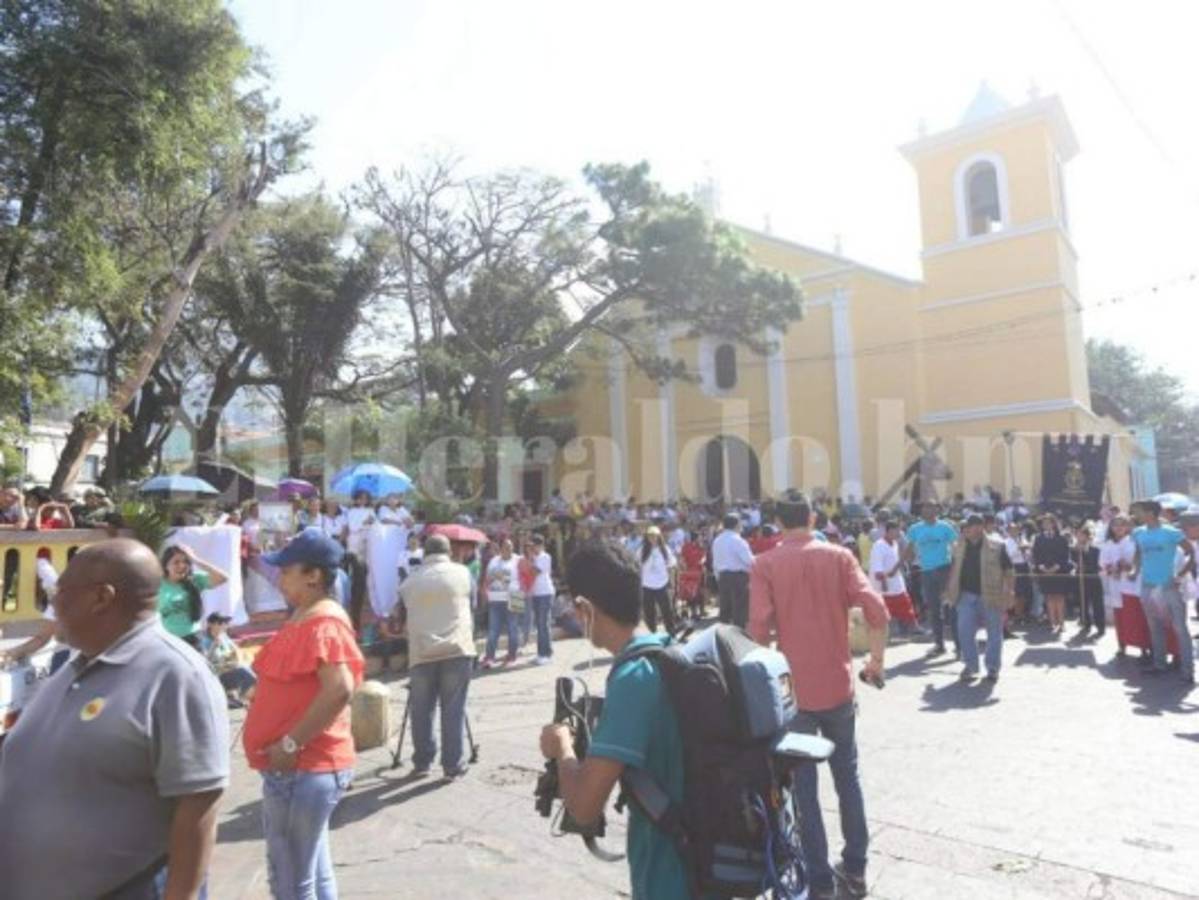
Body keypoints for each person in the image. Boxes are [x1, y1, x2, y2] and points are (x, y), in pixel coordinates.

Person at [0, 539, 229, 900]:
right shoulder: (77, 664)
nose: (52, 602)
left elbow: (199, 806)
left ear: (101, 598)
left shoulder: (176, 676)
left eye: (59, 591)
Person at [749, 493, 889, 900]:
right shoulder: (840, 557)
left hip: (794, 694)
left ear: (776, 521)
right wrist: (876, 662)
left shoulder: (766, 564)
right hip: (838, 687)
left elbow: (758, 629)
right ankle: (857, 869)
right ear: (812, 517)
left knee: (804, 792)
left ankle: (820, 881)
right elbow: (876, 610)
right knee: (849, 779)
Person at [539, 539, 690, 900]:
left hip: (669, 878)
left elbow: (585, 807)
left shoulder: (633, 678)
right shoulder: (670, 649)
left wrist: (563, 751)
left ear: (584, 607)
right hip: (701, 865)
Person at [242, 529, 364, 899]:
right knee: (310, 872)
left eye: (287, 570)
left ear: (313, 576)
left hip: (304, 766)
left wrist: (292, 742)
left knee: (291, 880)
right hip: (298, 768)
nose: (280, 577)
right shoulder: (306, 617)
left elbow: (340, 688)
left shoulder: (322, 622)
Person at [399, 534, 476, 778]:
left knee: (421, 710)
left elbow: (403, 607)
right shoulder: (462, 573)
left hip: (422, 652)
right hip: (457, 648)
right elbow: (472, 602)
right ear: (449, 552)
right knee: (453, 709)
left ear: (424, 553)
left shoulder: (410, 581)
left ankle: (422, 762)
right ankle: (452, 765)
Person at [945, 514, 1014, 683]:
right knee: (964, 632)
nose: (972, 528)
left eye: (976, 525)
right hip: (965, 596)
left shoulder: (998, 546)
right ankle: (971, 666)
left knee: (994, 633)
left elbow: (1009, 570)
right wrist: (949, 591)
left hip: (991, 595)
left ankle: (992, 668)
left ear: (982, 527)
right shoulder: (957, 546)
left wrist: (1009, 590)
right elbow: (953, 569)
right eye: (969, 525)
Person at [1130, 499, 1194, 682]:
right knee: (1154, 626)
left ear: (1150, 513)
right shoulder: (1138, 532)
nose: (1136, 515)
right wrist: (1135, 570)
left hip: (1169, 586)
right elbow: (1139, 552)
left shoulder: (1171, 532)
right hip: (1148, 585)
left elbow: (1191, 553)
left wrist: (1180, 575)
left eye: (1139, 511)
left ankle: (1187, 671)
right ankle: (1159, 665)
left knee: (1180, 628)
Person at [905, 501, 959, 656]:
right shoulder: (915, 529)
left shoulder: (946, 527)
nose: (926, 509)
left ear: (937, 510)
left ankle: (959, 646)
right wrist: (905, 562)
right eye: (924, 507)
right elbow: (910, 549)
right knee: (934, 610)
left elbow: (955, 548)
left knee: (952, 608)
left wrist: (955, 570)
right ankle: (939, 645)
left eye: (930, 507)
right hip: (926, 572)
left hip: (945, 570)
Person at [158, 544, 229, 649]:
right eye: (176, 562)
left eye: (186, 561)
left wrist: (195, 559)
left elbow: (223, 578)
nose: (182, 565)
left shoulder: (195, 580)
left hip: (193, 639)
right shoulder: (157, 583)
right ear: (166, 566)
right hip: (167, 641)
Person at [869, 521, 918, 636]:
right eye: (896, 530)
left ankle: (913, 628)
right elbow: (877, 565)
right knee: (885, 609)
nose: (898, 533)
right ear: (888, 531)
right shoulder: (879, 545)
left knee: (905, 603)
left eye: (899, 530)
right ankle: (888, 631)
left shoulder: (895, 544)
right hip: (883, 583)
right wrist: (883, 582)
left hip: (896, 580)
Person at [200, 612, 257, 709]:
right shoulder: (204, 641)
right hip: (218, 674)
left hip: (231, 668)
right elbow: (205, 662)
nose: (223, 626)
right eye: (220, 623)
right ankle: (254, 701)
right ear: (210, 624)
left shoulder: (224, 636)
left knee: (247, 668)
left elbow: (236, 651)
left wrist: (237, 657)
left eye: (224, 623)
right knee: (242, 672)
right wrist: (214, 646)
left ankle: (254, 700)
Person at [1031, 514, 1072, 635]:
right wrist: (1041, 566)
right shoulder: (1038, 538)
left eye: (1049, 522)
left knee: (1059, 597)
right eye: (1044, 523)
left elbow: (1065, 555)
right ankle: (1052, 623)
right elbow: (1036, 555)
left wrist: (1057, 567)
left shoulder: (1061, 538)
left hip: (1059, 572)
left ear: (1054, 524)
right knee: (1049, 597)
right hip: (1044, 572)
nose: (1046, 525)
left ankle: (1061, 623)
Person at [482, 538, 520, 668]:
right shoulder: (494, 560)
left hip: (515, 596)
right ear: (501, 548)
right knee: (493, 630)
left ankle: (512, 656)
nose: (508, 549)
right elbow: (488, 578)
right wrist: (486, 591)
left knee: (513, 629)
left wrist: (499, 576)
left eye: (510, 547)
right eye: (505, 547)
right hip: (495, 597)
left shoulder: (518, 560)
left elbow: (515, 577)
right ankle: (489, 657)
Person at [711, 513, 754, 626]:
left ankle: (723, 638)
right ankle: (739, 638)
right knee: (740, 610)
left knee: (725, 609)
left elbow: (715, 562)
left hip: (723, 577)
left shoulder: (717, 540)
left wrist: (718, 577)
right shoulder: (738, 540)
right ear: (737, 525)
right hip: (738, 577)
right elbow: (749, 561)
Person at [639, 525, 678, 634]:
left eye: (655, 536)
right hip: (647, 586)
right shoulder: (641, 550)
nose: (653, 538)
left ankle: (671, 633)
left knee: (667, 611)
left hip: (662, 584)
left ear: (659, 536)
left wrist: (673, 584)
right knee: (649, 613)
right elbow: (637, 567)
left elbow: (672, 566)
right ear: (647, 537)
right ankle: (652, 635)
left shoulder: (665, 549)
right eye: (650, 536)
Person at [526, 533, 556, 664]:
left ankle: (545, 654)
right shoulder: (533, 557)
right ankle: (542, 652)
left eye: (534, 546)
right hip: (536, 593)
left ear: (541, 545)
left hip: (545, 593)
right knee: (539, 624)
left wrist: (531, 559)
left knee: (543, 623)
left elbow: (534, 572)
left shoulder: (545, 557)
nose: (532, 548)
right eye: (531, 546)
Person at [1072, 526, 1105, 639]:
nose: (1079, 537)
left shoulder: (1095, 549)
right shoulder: (1074, 549)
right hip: (1080, 579)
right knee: (1083, 602)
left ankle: (1100, 626)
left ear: (1087, 536)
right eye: (1077, 535)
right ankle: (1086, 623)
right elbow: (1072, 562)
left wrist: (1084, 555)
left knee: (1097, 604)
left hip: (1093, 578)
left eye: (1081, 535)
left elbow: (1096, 565)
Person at [1003, 521, 1033, 624]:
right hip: (1014, 566)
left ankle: (1020, 614)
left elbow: (1028, 554)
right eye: (1012, 529)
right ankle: (1014, 614)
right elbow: (1008, 556)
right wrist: (1018, 549)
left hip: (1024, 566)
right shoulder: (1006, 542)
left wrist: (1026, 550)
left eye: (1016, 529)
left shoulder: (1022, 539)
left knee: (1024, 593)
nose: (1014, 531)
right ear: (1008, 531)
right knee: (1016, 592)